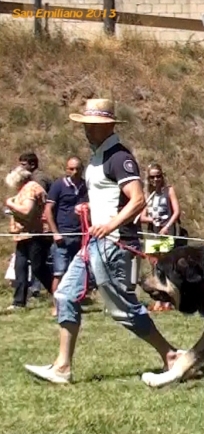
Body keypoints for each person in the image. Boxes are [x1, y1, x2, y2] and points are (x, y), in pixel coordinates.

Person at [24, 99, 183, 384]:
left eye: (92, 125)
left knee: (122, 309)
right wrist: (87, 209)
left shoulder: (119, 157)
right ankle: (62, 367)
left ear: (108, 125)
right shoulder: (97, 157)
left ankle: (170, 355)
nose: (86, 129)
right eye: (85, 123)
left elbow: (136, 200)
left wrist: (109, 224)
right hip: (93, 243)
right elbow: (106, 196)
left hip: (113, 243)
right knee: (65, 295)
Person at [4, 166, 54, 311]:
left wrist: (10, 203)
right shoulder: (24, 190)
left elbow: (27, 211)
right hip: (23, 235)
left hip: (36, 234)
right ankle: (19, 301)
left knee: (39, 268)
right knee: (20, 267)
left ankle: (60, 293)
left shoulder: (31, 188)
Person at [44, 156, 89, 317]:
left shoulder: (85, 186)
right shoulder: (58, 185)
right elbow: (48, 209)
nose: (75, 172)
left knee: (77, 272)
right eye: (71, 168)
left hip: (81, 235)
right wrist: (55, 232)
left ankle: (74, 303)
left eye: (78, 168)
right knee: (59, 272)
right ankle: (57, 306)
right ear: (66, 169)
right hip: (63, 236)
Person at [140, 163, 180, 311]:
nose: (156, 179)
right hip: (152, 233)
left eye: (158, 176)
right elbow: (142, 216)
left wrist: (167, 226)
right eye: (152, 177)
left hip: (166, 233)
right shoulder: (147, 195)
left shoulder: (168, 191)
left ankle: (168, 300)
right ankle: (158, 300)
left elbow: (176, 212)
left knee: (165, 266)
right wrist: (151, 219)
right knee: (155, 267)